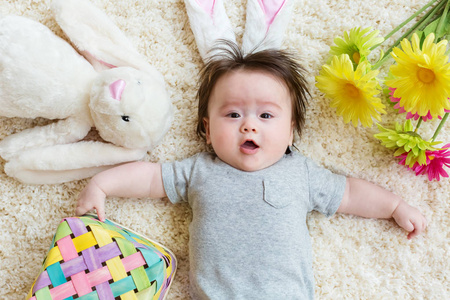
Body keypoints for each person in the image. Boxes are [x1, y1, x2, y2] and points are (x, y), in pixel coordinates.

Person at [76, 42, 427, 299]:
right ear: (208, 130)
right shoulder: (199, 171)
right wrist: (102, 183)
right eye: (232, 115)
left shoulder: (301, 173)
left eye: (266, 115)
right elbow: (151, 177)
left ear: (290, 131)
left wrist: (395, 207)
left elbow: (349, 193)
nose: (249, 127)